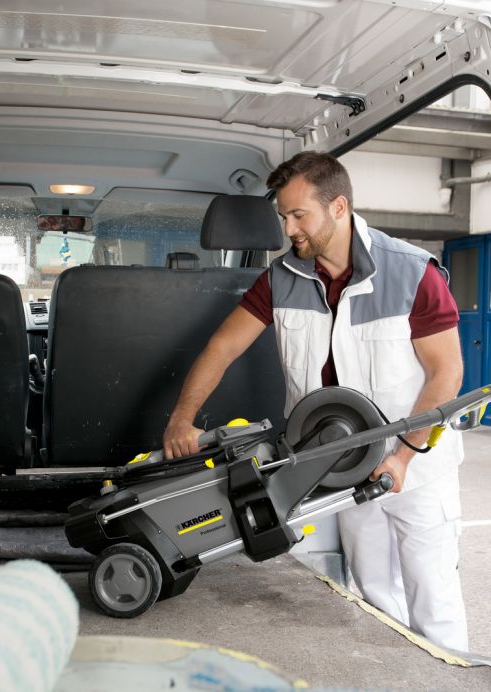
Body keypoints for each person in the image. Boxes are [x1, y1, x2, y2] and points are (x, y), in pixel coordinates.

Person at [163, 151, 467, 651]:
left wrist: (403, 456)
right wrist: (182, 418)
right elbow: (222, 347)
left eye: (298, 215)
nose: (289, 229)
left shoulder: (413, 272)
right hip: (341, 467)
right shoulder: (280, 278)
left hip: (418, 467)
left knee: (434, 600)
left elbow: (446, 372)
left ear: (338, 207)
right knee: (374, 595)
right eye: (283, 216)